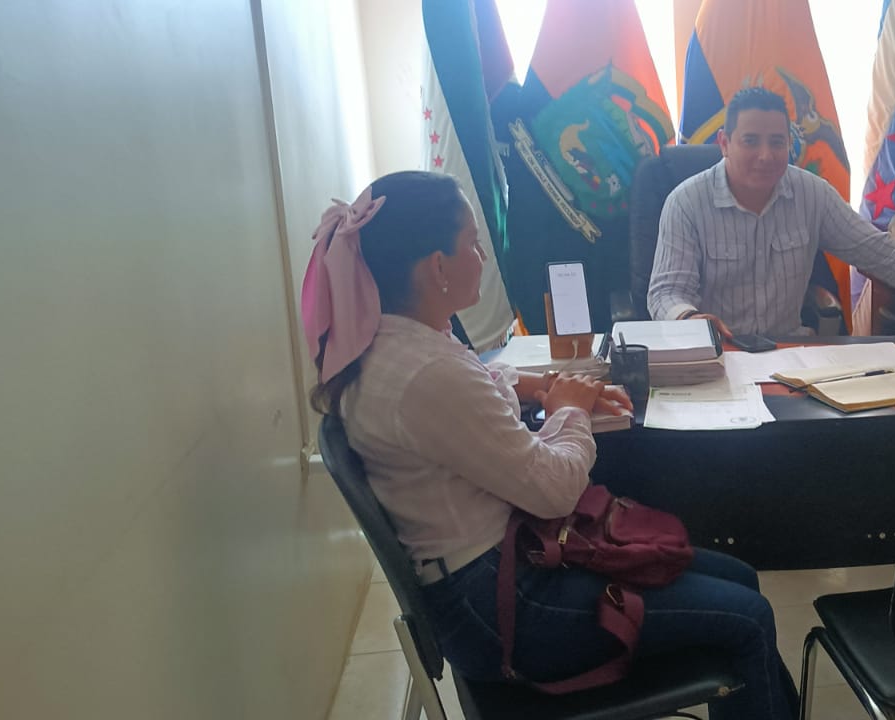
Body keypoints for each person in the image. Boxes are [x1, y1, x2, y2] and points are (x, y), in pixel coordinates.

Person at [303, 171, 799, 719]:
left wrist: (544, 385)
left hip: (488, 573)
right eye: (473, 244)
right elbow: (555, 491)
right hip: (505, 605)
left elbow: (477, 386)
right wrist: (569, 410)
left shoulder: (391, 341)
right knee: (747, 618)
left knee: (738, 578)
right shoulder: (426, 374)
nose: (482, 259)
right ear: (437, 267)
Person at [646, 88, 895, 337]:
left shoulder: (811, 194)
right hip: (719, 356)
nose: (765, 155)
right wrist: (690, 320)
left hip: (788, 355)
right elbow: (666, 293)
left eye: (777, 142)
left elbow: (879, 251)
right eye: (750, 141)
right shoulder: (686, 203)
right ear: (725, 143)